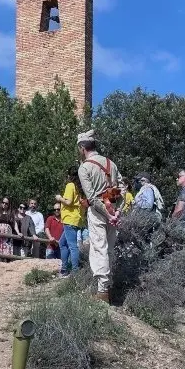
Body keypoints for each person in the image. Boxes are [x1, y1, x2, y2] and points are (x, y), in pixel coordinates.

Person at [76, 129, 119, 303]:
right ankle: (109, 287)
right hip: (113, 209)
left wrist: (108, 216)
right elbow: (122, 189)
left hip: (99, 213)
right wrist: (117, 212)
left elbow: (92, 198)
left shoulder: (85, 167)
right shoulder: (111, 164)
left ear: (82, 148)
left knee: (99, 248)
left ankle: (102, 293)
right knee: (109, 249)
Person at [54, 167, 84, 277]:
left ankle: (74, 272)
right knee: (62, 243)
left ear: (69, 176)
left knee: (72, 246)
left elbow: (68, 201)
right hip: (76, 219)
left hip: (70, 219)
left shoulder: (70, 185)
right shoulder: (80, 187)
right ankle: (64, 268)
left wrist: (59, 198)